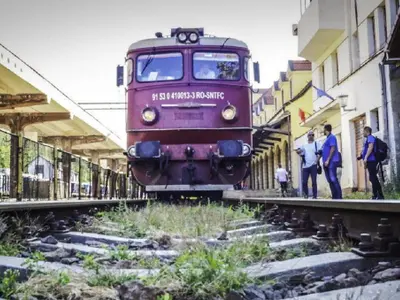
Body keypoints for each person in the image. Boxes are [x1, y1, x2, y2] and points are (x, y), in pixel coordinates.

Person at [360, 126, 384, 199]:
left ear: (367, 132)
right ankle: (378, 195)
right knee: (373, 178)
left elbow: (371, 147)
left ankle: (377, 195)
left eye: (363, 131)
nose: (362, 133)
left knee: (373, 178)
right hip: (370, 161)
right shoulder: (368, 138)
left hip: (372, 161)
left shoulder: (370, 137)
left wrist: (366, 157)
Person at [296, 130, 321, 199]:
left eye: (312, 135)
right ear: (307, 136)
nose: (311, 136)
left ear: (314, 136)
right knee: (304, 182)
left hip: (313, 165)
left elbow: (320, 153)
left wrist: (316, 161)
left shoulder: (317, 143)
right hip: (305, 166)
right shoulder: (304, 145)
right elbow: (298, 150)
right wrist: (299, 151)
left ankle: (315, 196)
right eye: (309, 135)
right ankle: (306, 195)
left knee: (314, 182)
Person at [321, 124, 342, 199]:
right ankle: (334, 197)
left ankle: (339, 197)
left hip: (331, 161)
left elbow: (333, 148)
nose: (323, 131)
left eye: (324, 129)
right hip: (326, 163)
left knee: (333, 179)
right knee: (329, 180)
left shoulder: (332, 137)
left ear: (326, 129)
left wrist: (328, 160)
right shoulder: (327, 138)